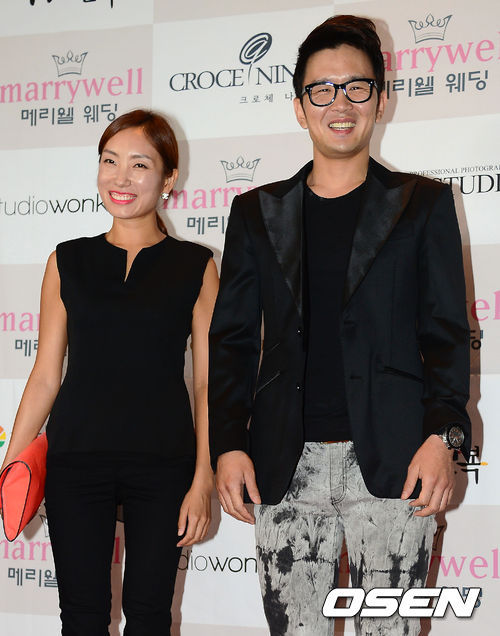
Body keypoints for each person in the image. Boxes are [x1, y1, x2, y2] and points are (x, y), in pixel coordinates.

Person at [208, 15, 471, 636]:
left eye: (357, 86)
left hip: (397, 462)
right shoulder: (256, 212)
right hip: (284, 464)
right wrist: (228, 443)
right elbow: (233, 341)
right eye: (322, 89)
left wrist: (445, 437)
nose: (340, 103)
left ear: (381, 98)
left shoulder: (423, 204)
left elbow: (446, 335)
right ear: (300, 107)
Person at [0, 109, 218, 635]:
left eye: (140, 164)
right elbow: (46, 374)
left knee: (149, 617)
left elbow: (208, 383)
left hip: (164, 463)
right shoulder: (66, 261)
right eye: (109, 161)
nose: (121, 177)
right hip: (75, 460)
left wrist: (203, 478)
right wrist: (11, 467)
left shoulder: (196, 265)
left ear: (168, 179)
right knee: (81, 618)